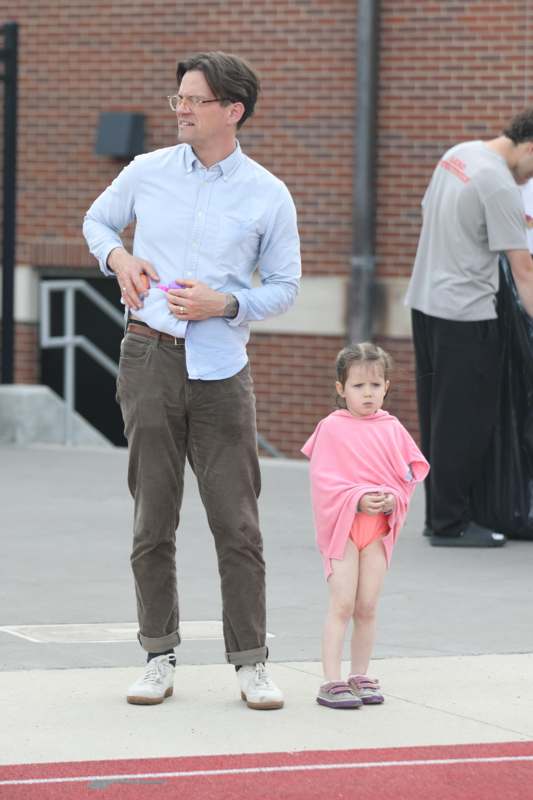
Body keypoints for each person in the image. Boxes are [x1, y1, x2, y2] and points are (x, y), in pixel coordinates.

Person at [82, 51, 301, 708]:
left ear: (231, 110)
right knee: (153, 518)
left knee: (237, 523)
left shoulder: (267, 193)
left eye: (193, 100)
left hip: (222, 370)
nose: (180, 109)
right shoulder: (147, 172)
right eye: (178, 97)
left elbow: (286, 287)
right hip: (147, 358)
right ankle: (158, 654)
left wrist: (227, 305)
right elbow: (95, 222)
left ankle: (250, 662)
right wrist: (120, 255)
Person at [405, 109, 533, 548]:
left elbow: (429, 215)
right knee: (465, 423)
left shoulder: (459, 154)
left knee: (438, 417)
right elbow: (524, 272)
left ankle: (441, 513)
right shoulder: (498, 183)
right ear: (530, 147)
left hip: (425, 304)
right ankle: (450, 523)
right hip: (467, 314)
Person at [301, 343, 428, 709]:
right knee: (342, 604)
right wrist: (356, 498)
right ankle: (331, 680)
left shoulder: (392, 429)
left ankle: (360, 674)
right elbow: (323, 481)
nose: (368, 393)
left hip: (377, 532)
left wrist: (391, 497)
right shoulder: (331, 428)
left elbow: (407, 476)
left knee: (368, 605)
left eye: (375, 385)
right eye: (358, 386)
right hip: (344, 529)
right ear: (341, 389)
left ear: (386, 386)